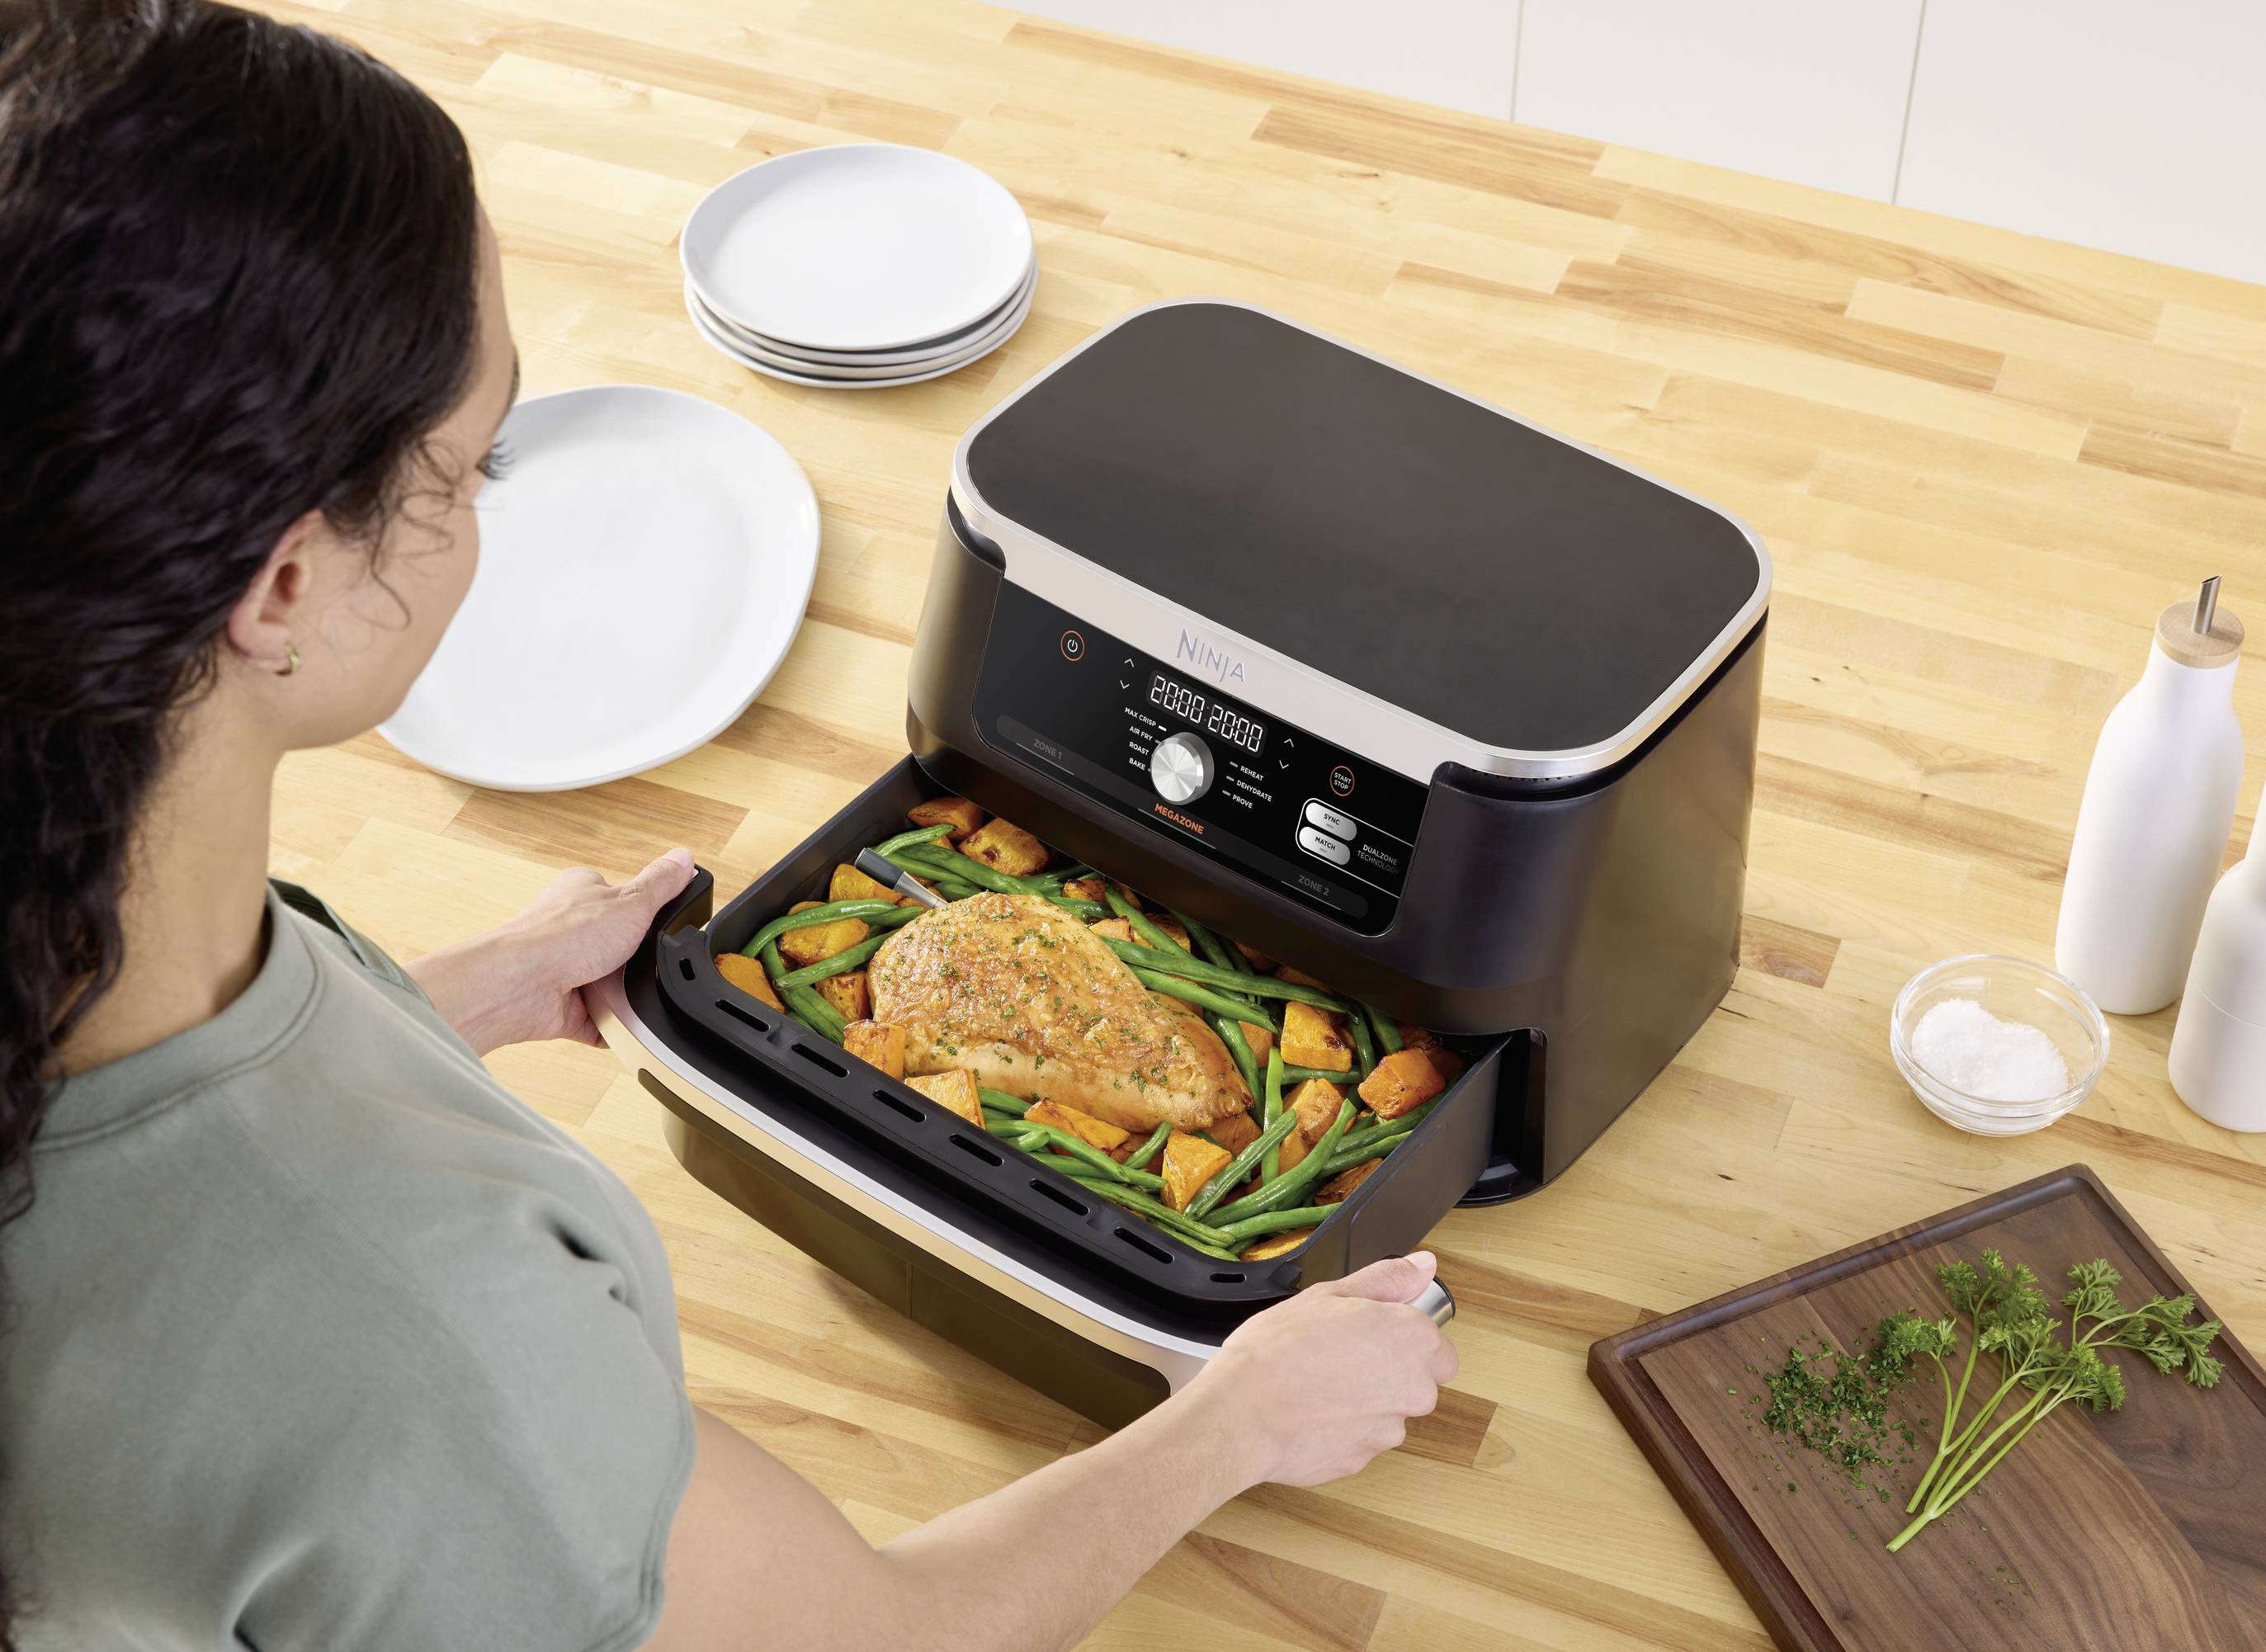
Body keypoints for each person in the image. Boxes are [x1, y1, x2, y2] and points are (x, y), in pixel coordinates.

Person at [0, 5, 1458, 1650]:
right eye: (476, 466)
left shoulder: (101, 896)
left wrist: (440, 999)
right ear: (283, 581)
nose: (482, 518)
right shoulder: (427, 1351)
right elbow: (876, 1633)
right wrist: (1237, 1419)